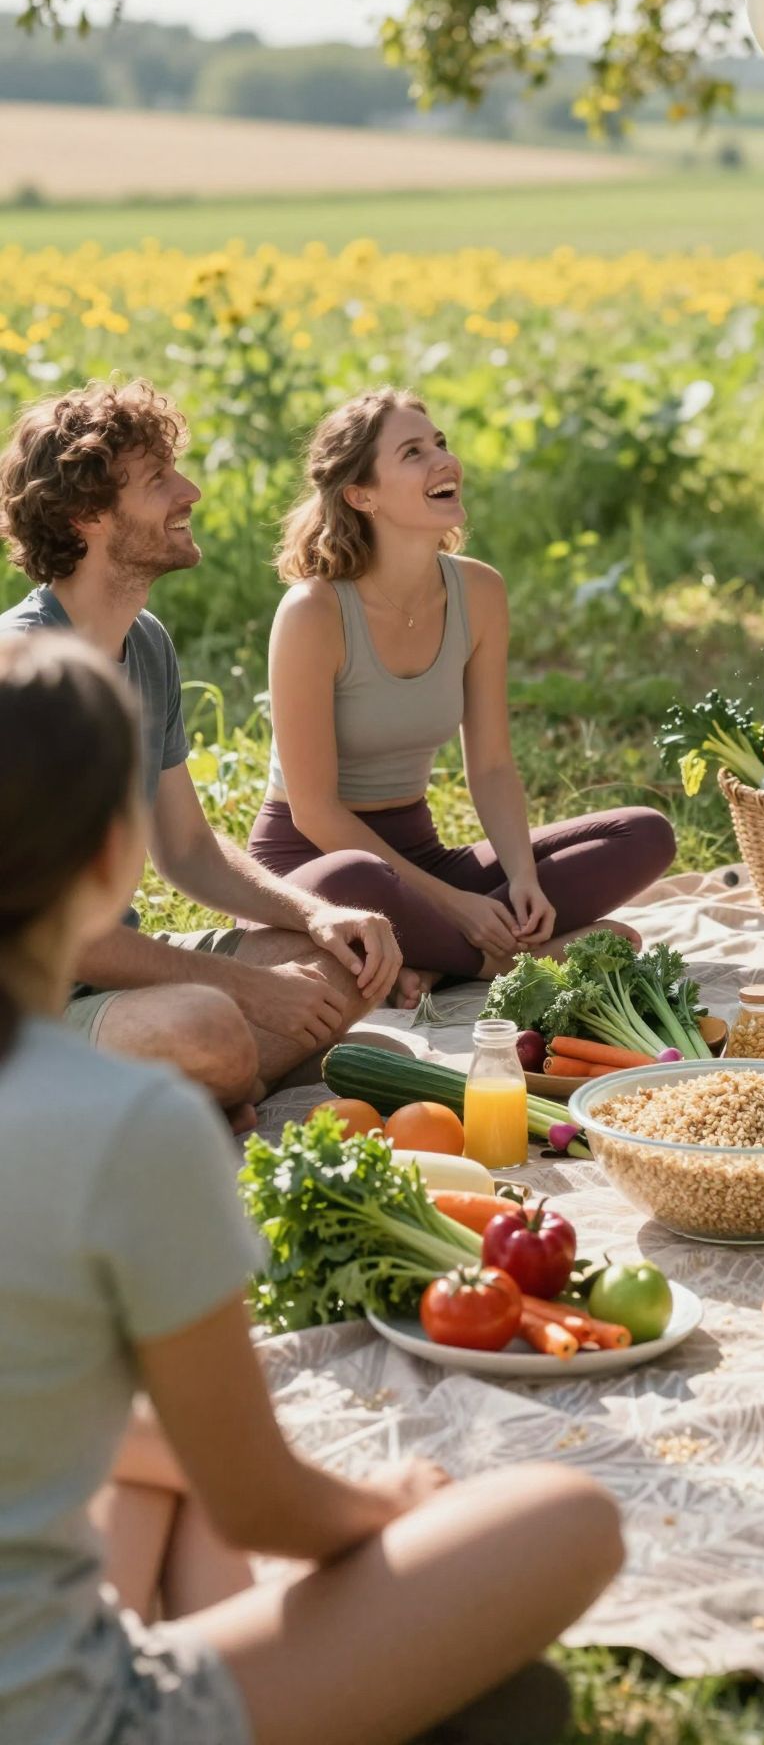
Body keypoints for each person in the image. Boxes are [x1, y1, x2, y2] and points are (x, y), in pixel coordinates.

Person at [0, 629, 624, 1745]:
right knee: (568, 1516)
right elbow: (261, 1498)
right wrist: (389, 1508)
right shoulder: (126, 1125)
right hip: (66, 1716)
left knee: (158, 1472)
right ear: (110, 861)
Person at [0, 381, 402, 1120]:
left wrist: (312, 915)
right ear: (87, 515)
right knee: (211, 1026)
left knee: (339, 963)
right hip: (28, 1012)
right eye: (159, 480)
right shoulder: (25, 673)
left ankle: (201, 1094)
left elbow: (187, 849)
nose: (190, 491)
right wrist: (249, 991)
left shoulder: (145, 645)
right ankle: (203, 1085)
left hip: (109, 984)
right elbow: (64, 936)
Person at [251, 388, 676, 986]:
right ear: (360, 494)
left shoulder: (479, 592)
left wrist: (522, 877)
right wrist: (455, 906)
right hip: (316, 859)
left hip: (420, 854)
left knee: (643, 834)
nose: (443, 461)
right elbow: (315, 812)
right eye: (413, 452)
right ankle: (500, 962)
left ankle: (425, 958)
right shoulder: (313, 613)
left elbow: (494, 766)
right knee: (353, 883)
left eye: (441, 444)